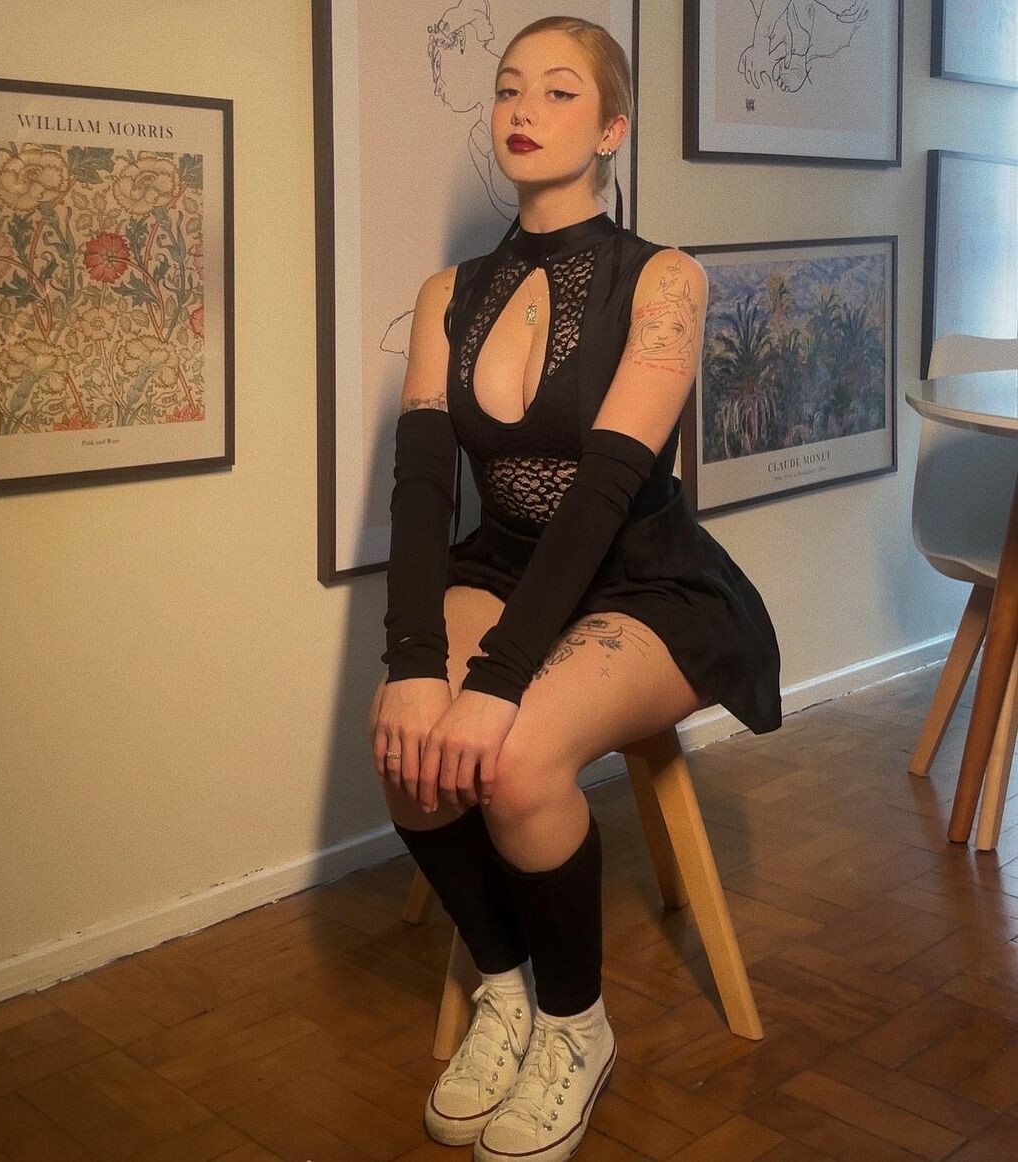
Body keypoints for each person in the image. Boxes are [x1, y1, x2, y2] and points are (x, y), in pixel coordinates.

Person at [368, 15, 782, 1161]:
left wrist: (498, 680)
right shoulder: (447, 293)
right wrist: (414, 664)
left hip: (646, 578)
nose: (523, 109)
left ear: (611, 129)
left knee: (511, 761)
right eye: (510, 88)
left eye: (558, 92)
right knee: (404, 743)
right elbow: (421, 487)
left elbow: (603, 492)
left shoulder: (665, 280)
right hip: (503, 562)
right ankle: (503, 984)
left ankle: (575, 1022)